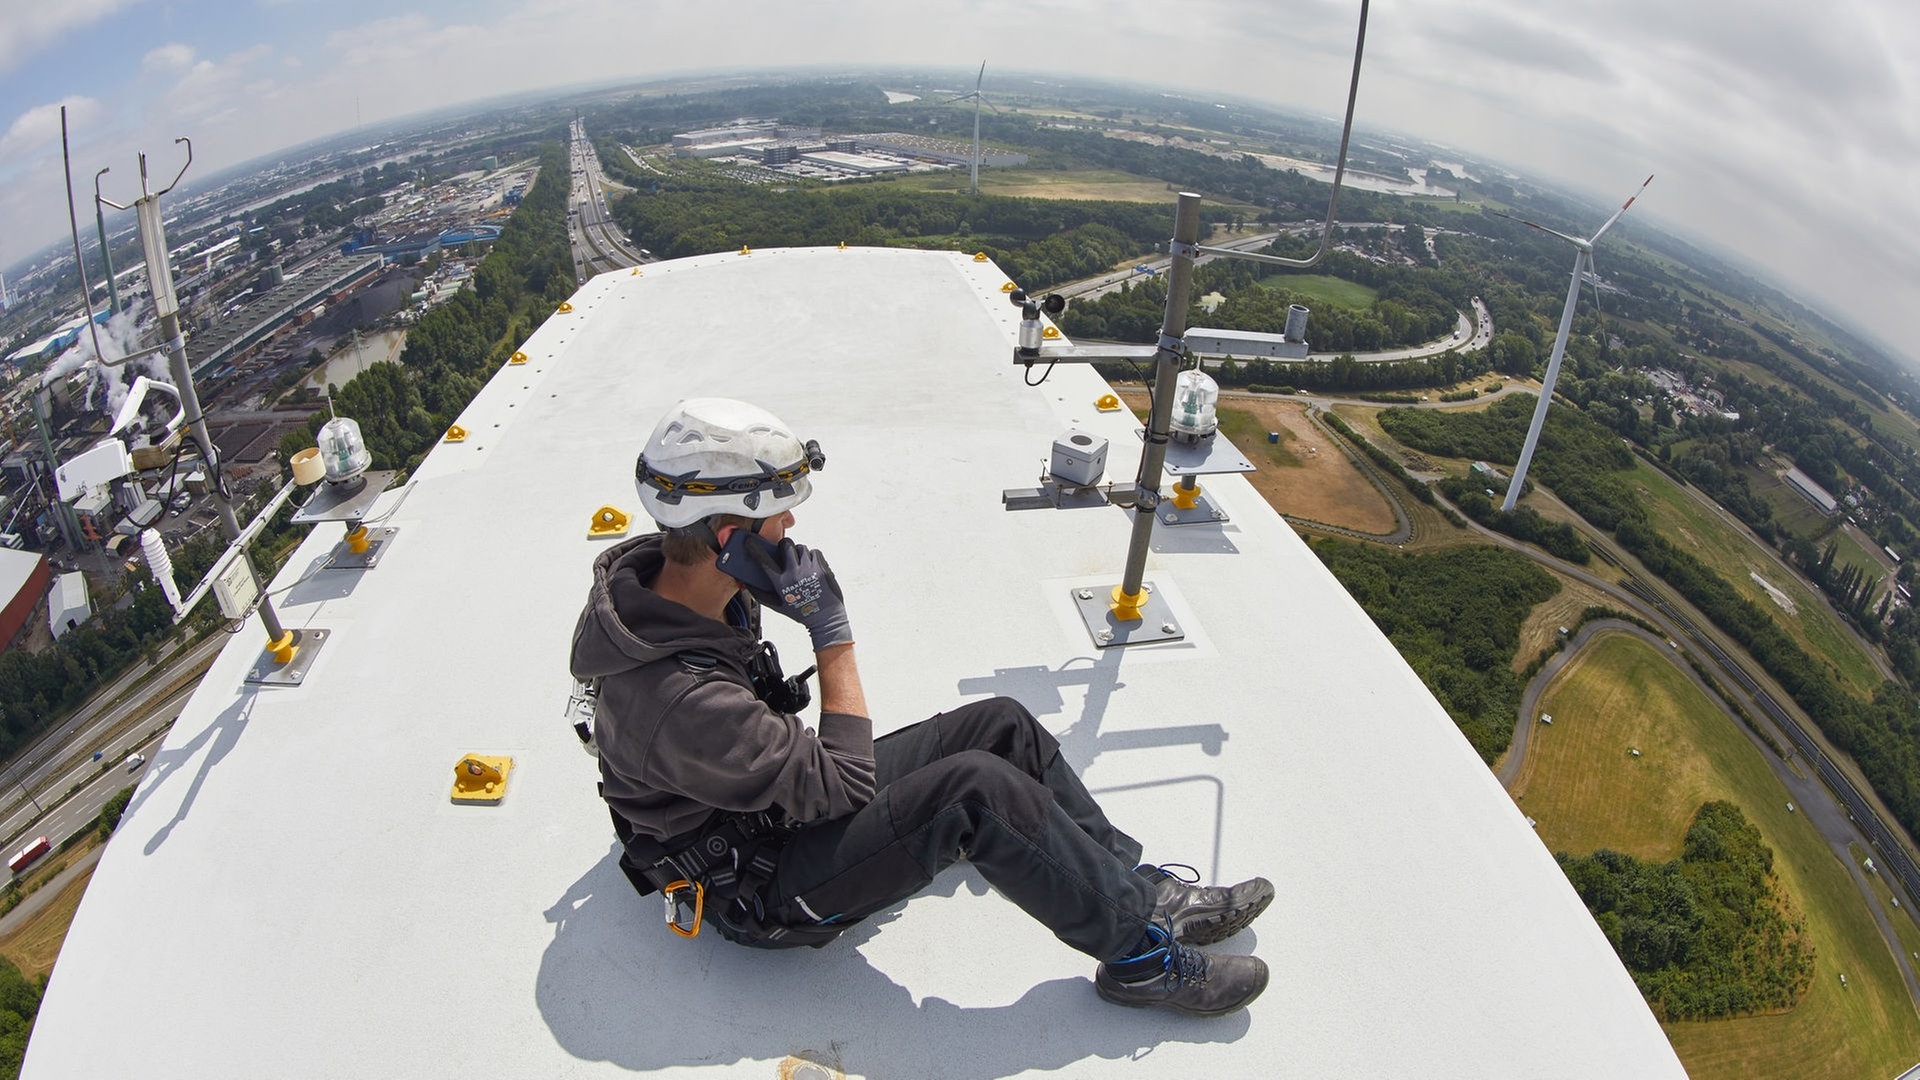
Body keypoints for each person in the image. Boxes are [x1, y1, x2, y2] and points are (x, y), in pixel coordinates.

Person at [570, 397, 1274, 1016]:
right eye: (777, 517)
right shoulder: (679, 697)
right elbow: (840, 786)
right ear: (731, 541)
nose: (790, 527)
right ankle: (1139, 960)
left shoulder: (669, 584)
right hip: (757, 880)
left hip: (762, 800)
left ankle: (1138, 891)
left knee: (999, 724)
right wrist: (830, 631)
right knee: (975, 792)